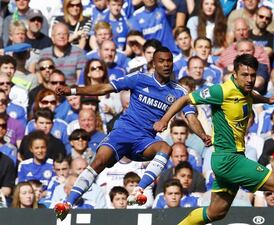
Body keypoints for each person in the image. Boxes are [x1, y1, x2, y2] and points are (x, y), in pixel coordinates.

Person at [154, 54, 274, 225]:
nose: (250, 79)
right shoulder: (221, 91)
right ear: (235, 74)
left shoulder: (246, 91)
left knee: (216, 212)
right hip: (229, 160)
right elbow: (184, 100)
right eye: (245, 75)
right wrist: (164, 120)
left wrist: (267, 100)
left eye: (253, 75)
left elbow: (249, 95)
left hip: (229, 159)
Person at [54, 47, 210, 220]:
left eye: (169, 61)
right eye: (161, 61)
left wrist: (203, 135)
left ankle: (138, 190)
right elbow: (106, 88)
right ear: (153, 63)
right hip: (122, 133)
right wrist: (74, 90)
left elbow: (191, 117)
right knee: (99, 161)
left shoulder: (179, 92)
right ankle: (68, 203)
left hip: (144, 142)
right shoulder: (139, 79)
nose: (166, 64)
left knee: (166, 148)